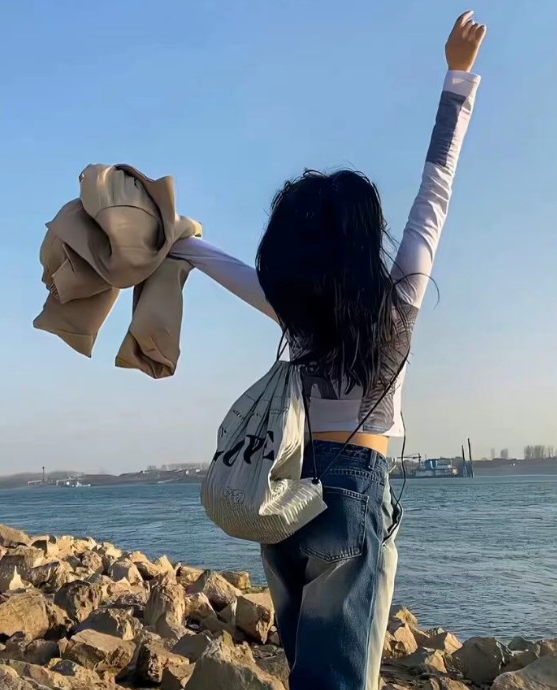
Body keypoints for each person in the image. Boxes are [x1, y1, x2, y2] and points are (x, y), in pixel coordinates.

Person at [170, 11, 487, 690]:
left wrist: (180, 243)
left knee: (306, 670)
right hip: (355, 492)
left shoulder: (296, 308)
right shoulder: (397, 301)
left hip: (286, 491)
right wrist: (457, 77)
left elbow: (232, 270)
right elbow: (436, 188)